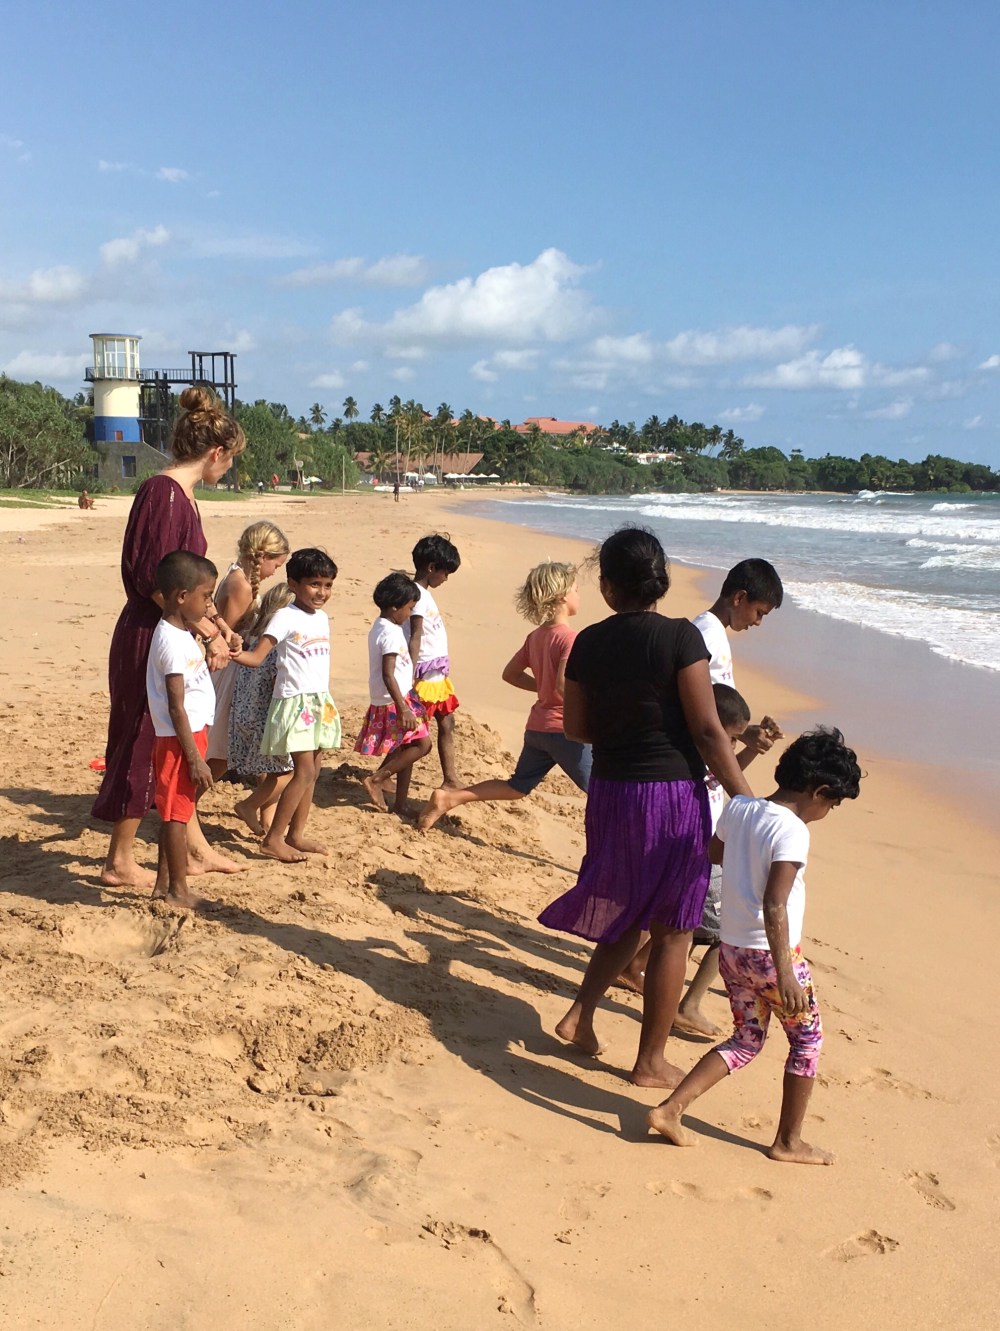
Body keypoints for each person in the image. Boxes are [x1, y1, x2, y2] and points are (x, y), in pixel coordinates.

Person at [537, 527, 753, 1088]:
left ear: (608, 586)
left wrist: (625, 732)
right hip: (671, 795)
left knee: (627, 911)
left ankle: (579, 1015)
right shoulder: (682, 637)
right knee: (675, 930)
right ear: (660, 581)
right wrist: (749, 803)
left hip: (611, 791)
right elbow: (708, 731)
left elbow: (577, 727)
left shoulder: (588, 642)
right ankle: (650, 1061)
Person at [648, 727, 862, 1164]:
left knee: (746, 1039)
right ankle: (788, 1142)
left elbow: (714, 853)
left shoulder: (742, 807)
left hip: (732, 950)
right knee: (807, 1042)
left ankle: (670, 1109)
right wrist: (786, 974)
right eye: (832, 804)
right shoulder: (794, 831)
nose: (828, 812)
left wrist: (748, 856)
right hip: (772, 957)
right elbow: (775, 902)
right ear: (819, 791)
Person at [93, 386, 246, 889]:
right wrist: (208, 631)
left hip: (173, 630)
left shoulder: (183, 495)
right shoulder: (163, 493)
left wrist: (219, 626)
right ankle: (119, 859)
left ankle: (195, 848)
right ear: (216, 453)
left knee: (176, 741)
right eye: (230, 460)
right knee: (145, 737)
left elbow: (190, 583)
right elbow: (154, 581)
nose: (229, 469)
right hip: (150, 634)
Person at [620, 557, 786, 1000]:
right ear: (740, 597)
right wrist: (748, 803)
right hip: (694, 788)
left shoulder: (711, 635)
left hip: (704, 784)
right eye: (759, 612)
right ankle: (666, 991)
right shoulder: (704, 636)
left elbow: (714, 717)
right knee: (692, 909)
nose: (757, 623)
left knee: (677, 902)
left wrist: (745, 736)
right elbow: (700, 719)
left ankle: (633, 967)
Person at [418, 561, 591, 832]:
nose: (579, 595)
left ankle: (449, 798)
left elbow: (511, 674)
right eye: (576, 590)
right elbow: (562, 685)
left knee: (517, 786)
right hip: (564, 731)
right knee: (603, 787)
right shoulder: (571, 638)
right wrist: (592, 708)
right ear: (561, 596)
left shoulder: (535, 637)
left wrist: (543, 688)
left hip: (538, 729)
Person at [231, 548, 341, 863]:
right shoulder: (284, 616)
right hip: (294, 703)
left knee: (313, 770)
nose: (322, 592)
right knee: (302, 771)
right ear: (293, 584)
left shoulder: (322, 618)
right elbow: (257, 657)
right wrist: (231, 652)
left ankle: (296, 834)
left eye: (328, 585)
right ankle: (273, 839)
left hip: (319, 701)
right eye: (314, 584)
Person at [145, 551, 219, 908]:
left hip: (190, 735)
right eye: (206, 596)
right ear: (181, 596)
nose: (209, 605)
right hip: (178, 741)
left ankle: (164, 883)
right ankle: (177, 888)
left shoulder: (182, 633)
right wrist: (193, 758)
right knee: (176, 816)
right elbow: (176, 706)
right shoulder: (171, 643)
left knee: (176, 811)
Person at [205, 520, 290, 781]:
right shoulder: (240, 585)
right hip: (231, 672)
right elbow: (226, 634)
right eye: (276, 565)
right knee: (221, 747)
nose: (274, 572)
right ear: (263, 557)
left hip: (234, 668)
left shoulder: (236, 575)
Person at [356, 572, 432, 815]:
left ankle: (400, 803)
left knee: (406, 748)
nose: (410, 614)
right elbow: (388, 674)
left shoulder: (384, 627)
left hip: (400, 696)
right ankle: (377, 779)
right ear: (395, 606)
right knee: (422, 744)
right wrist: (403, 707)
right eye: (409, 608)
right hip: (394, 700)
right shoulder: (389, 633)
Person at [229, 582, 296, 836]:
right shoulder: (278, 645)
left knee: (269, 770)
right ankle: (248, 805)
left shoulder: (256, 637)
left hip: (245, 713)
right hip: (266, 716)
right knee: (289, 772)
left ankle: (267, 821)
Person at [406, 534, 462, 787]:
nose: (446, 578)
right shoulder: (417, 596)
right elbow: (415, 636)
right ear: (431, 568)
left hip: (436, 673)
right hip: (425, 676)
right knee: (414, 735)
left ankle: (450, 778)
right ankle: (381, 776)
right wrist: (409, 675)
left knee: (447, 722)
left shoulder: (424, 594)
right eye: (445, 573)